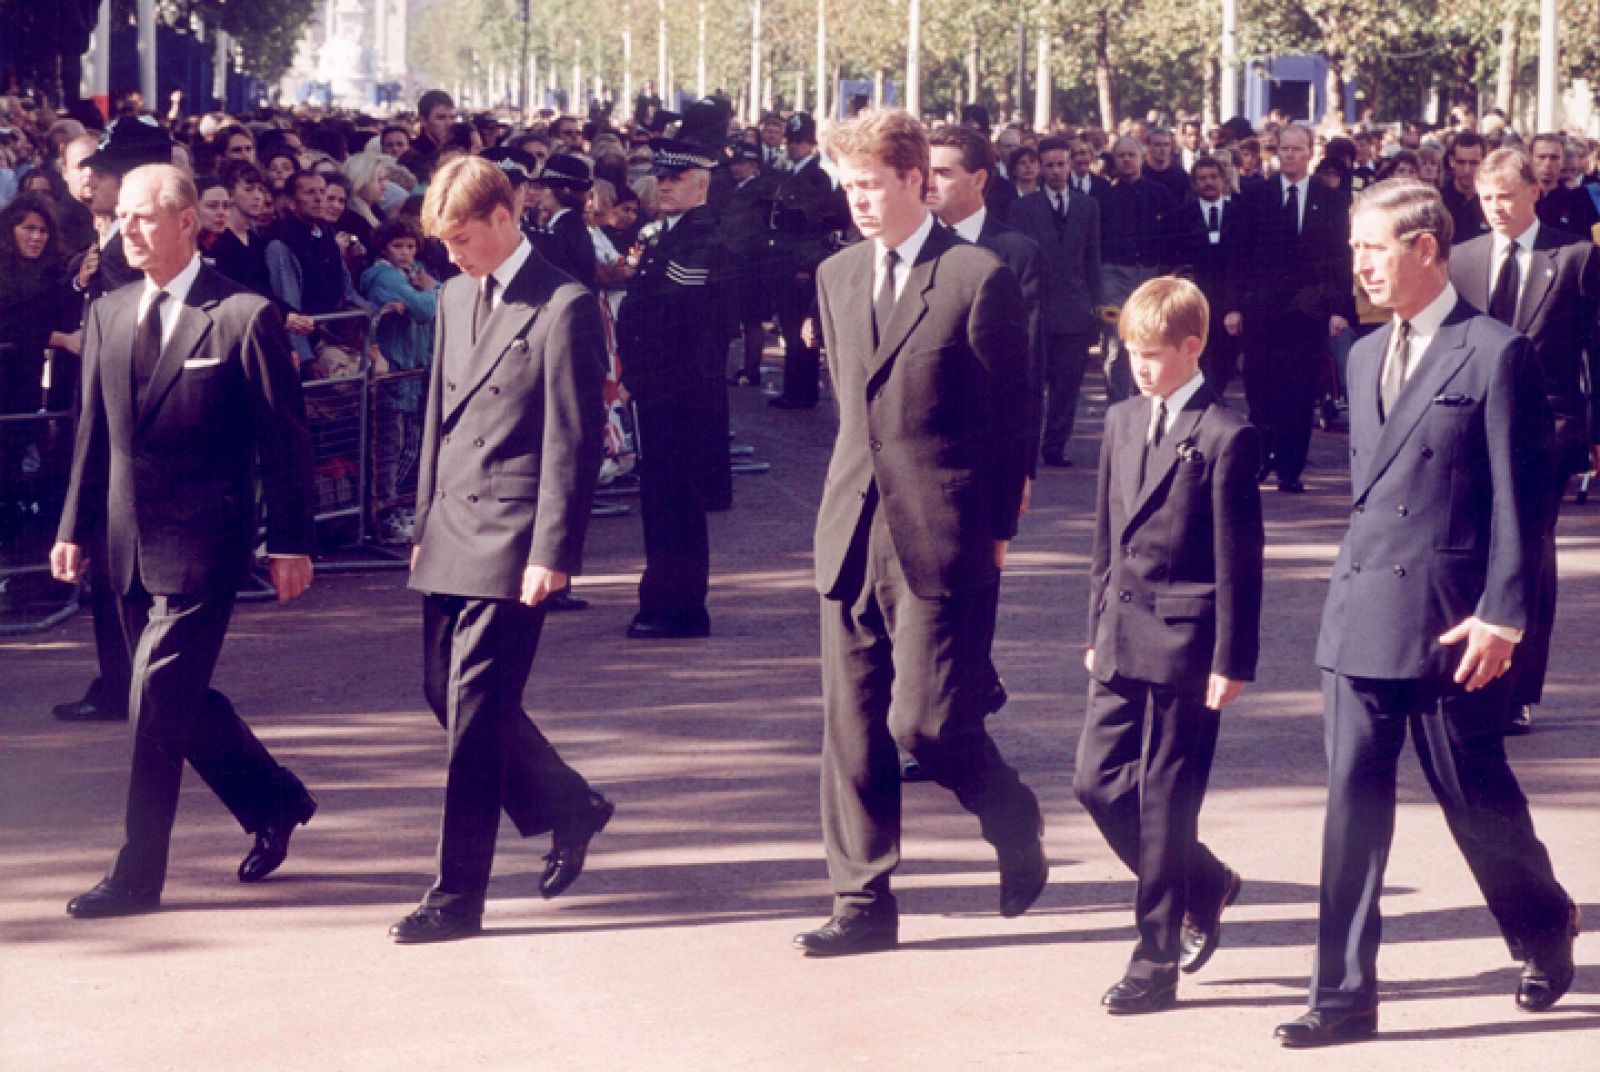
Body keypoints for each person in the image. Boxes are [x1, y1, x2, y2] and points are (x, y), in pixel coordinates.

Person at [1275, 179, 1578, 1047]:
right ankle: (1340, 997)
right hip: (1361, 615)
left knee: (1475, 798)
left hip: (1455, 627)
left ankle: (1542, 922)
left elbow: (1527, 503)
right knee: (1350, 810)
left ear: (1425, 249)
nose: (1359, 264)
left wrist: (1504, 616)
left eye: (1374, 247)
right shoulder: (1363, 354)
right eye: (1354, 247)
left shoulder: (1494, 352)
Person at [792, 109, 1045, 958]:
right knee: (851, 725)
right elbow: (851, 406)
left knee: (926, 725)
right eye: (849, 186)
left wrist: (1001, 527)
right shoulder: (835, 275)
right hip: (851, 525)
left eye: (872, 184)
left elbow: (1013, 415)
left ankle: (1010, 814)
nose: (859, 201)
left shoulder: (977, 276)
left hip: (944, 530)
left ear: (914, 180)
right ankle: (861, 900)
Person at [50, 164, 319, 919]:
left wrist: (291, 541)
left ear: (186, 222)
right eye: (121, 219)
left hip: (206, 546)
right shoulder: (109, 311)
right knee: (180, 701)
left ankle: (136, 874)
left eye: (141, 218)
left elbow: (283, 440)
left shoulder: (240, 314)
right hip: (125, 543)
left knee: (154, 700)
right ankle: (275, 800)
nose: (125, 231)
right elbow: (91, 439)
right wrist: (73, 528)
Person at [393, 156, 614, 944]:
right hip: (452, 522)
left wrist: (554, 552)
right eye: (443, 243)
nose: (451, 255)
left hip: (516, 533)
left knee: (477, 718)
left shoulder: (564, 305)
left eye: (461, 238)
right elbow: (436, 419)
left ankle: (456, 897)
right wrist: (422, 518)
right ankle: (569, 805)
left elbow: (573, 442)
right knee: (438, 691)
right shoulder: (454, 295)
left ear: (503, 218)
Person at [1077, 275, 1263, 1015]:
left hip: (1190, 642)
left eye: (1153, 354)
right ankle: (1206, 880)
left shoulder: (1225, 434)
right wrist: (1096, 627)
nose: (1139, 367)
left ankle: (1154, 961)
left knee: (1165, 805)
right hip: (1121, 633)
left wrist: (1232, 660)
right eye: (1130, 352)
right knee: (1095, 782)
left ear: (1194, 348)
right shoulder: (1123, 420)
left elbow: (1238, 559)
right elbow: (1103, 537)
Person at [1449, 147, 1600, 733]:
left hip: (1548, 428)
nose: (1496, 209)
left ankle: (1518, 690)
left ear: (1534, 191)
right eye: (1486, 199)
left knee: (1530, 552)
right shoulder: (1463, 259)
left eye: (1506, 196)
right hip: (1473, 427)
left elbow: (1594, 350)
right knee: (1476, 546)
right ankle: (1472, 674)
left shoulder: (1575, 255)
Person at [615, 137, 730, 639]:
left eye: (675, 178)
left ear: (701, 184)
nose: (663, 184)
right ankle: (665, 598)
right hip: (660, 385)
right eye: (660, 176)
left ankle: (678, 606)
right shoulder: (667, 234)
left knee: (677, 500)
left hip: (681, 386)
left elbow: (675, 315)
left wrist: (641, 373)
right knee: (663, 497)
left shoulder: (704, 237)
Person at [1231, 123, 1353, 494]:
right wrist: (1234, 307)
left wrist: (1338, 308)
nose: (1290, 156)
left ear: (1310, 153)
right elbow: (1239, 255)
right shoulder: (1255, 195)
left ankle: (1290, 468)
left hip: (1309, 312)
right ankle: (1262, 455)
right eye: (1284, 149)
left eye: (1298, 149)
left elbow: (1339, 257)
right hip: (1262, 311)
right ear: (1276, 151)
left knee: (1300, 391)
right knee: (1260, 387)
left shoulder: (1330, 198)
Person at [1011, 135, 1103, 468]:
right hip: (1036, 307)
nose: (1055, 171)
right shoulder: (1023, 207)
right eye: (1048, 165)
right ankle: (1026, 446)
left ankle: (1055, 446)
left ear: (1071, 164)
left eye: (1060, 164)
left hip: (1076, 308)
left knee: (1068, 384)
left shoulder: (1087, 205)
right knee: (1032, 383)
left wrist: (1097, 305)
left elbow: (1093, 258)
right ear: (1038, 168)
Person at [766, 111, 849, 409]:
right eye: (792, 141)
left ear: (811, 145)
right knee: (790, 327)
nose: (793, 147)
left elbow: (817, 225)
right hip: (786, 259)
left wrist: (805, 265)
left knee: (801, 329)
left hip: (801, 261)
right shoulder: (792, 173)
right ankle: (795, 389)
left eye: (800, 142)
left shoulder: (816, 177)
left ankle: (801, 392)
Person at [1098, 134, 1182, 403]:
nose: (1126, 160)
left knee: (1150, 339)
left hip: (1149, 275)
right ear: (1113, 160)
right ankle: (1118, 404)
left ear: (1142, 158)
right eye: (1120, 155)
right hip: (1113, 275)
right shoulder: (1102, 197)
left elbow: (1172, 236)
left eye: (1131, 155)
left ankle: (1147, 401)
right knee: (1115, 343)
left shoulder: (1160, 194)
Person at [1174, 154, 1245, 394]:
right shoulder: (1181, 217)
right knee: (1198, 362)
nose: (1209, 183)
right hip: (1196, 303)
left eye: (1214, 177)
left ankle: (1214, 400)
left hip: (1231, 304)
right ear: (1194, 184)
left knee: (1225, 363)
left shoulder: (1241, 214)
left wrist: (1236, 306)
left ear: (1223, 180)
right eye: (1202, 178)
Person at [717, 142, 777, 386]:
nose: (735, 168)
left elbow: (747, 229)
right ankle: (747, 369)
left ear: (753, 166)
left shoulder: (757, 192)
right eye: (735, 163)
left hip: (750, 264)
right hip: (743, 263)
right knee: (746, 319)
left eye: (741, 163)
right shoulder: (738, 189)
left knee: (751, 320)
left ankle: (751, 369)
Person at [528, 153, 598, 291]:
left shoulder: (563, 230)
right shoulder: (573, 226)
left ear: (564, 191)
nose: (539, 193)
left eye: (543, 186)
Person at [1529, 133, 1600, 237]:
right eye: (1542, 157)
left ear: (1562, 160)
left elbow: (1586, 239)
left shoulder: (1578, 196)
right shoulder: (1522, 195)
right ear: (1531, 158)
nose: (1548, 163)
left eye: (1554, 158)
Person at [1441, 131, 1489, 243]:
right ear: (1451, 161)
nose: (1467, 170)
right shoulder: (1438, 201)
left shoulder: (1492, 201)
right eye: (1461, 162)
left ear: (1484, 162)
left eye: (1473, 163)